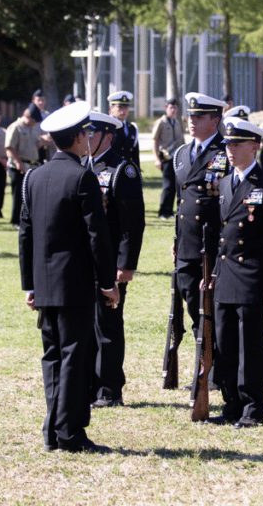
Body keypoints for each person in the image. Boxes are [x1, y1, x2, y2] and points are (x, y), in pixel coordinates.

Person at [19, 101, 120, 452]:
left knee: (53, 359)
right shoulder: (82, 177)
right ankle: (70, 434)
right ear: (78, 138)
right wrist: (108, 284)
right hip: (75, 285)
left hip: (46, 286)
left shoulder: (33, 176)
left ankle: (53, 432)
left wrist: (29, 285)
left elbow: (26, 234)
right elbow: (98, 237)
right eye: (86, 134)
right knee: (76, 358)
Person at [205, 117, 263, 428]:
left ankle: (254, 409)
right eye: (228, 144)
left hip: (253, 277)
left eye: (236, 144)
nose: (230, 150)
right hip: (226, 275)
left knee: (250, 347)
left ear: (254, 147)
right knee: (224, 344)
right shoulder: (225, 183)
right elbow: (221, 235)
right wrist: (214, 272)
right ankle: (231, 405)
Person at [87, 112, 146, 408]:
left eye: (92, 134)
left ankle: (110, 389)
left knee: (107, 326)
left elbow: (131, 223)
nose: (86, 139)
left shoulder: (122, 170)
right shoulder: (83, 165)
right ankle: (90, 386)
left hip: (110, 262)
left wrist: (126, 265)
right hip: (83, 261)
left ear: (107, 137)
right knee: (85, 327)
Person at [172, 92, 230, 391]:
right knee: (194, 308)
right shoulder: (182, 153)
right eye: (190, 116)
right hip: (187, 246)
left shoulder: (226, 152)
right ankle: (205, 366)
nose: (192, 122)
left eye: (199, 117)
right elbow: (182, 202)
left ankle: (215, 371)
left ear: (216, 120)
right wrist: (176, 240)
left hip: (213, 245)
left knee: (213, 311)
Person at [6, 104, 43, 229]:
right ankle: (15, 220)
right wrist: (18, 162)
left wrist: (39, 143)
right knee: (18, 195)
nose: (34, 124)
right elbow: (9, 147)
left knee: (30, 195)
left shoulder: (32, 128)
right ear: (27, 116)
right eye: (33, 121)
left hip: (32, 165)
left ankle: (28, 219)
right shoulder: (16, 127)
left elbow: (35, 142)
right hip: (19, 166)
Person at [153, 98, 185, 219]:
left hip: (176, 157)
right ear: (166, 108)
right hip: (165, 157)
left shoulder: (177, 122)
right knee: (168, 185)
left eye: (175, 107)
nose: (173, 110)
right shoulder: (161, 122)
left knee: (176, 185)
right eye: (171, 107)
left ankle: (171, 211)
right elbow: (154, 141)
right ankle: (163, 211)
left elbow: (182, 140)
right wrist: (157, 158)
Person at [107, 91, 140, 170]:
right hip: (110, 169)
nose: (123, 111)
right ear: (112, 108)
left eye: (126, 107)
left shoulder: (132, 128)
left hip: (127, 170)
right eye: (120, 107)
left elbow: (135, 155)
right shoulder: (107, 127)